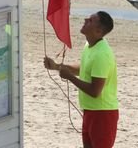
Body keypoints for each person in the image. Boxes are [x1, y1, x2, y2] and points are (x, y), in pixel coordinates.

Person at [44, 11, 119, 148]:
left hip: (103, 114)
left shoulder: (102, 54)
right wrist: (56, 66)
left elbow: (95, 91)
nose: (85, 19)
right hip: (90, 111)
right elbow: (83, 69)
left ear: (98, 31)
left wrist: (70, 77)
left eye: (90, 20)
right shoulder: (89, 45)